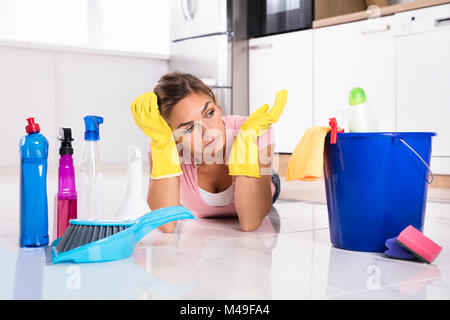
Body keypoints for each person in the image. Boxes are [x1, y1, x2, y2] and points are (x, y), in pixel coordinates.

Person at [131, 72, 287, 232]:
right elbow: (165, 225)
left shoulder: (253, 130)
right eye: (190, 128)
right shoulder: (163, 143)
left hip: (267, 181)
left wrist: (245, 144)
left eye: (209, 113)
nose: (208, 132)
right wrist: (162, 145)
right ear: (174, 137)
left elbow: (250, 222)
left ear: (218, 107)